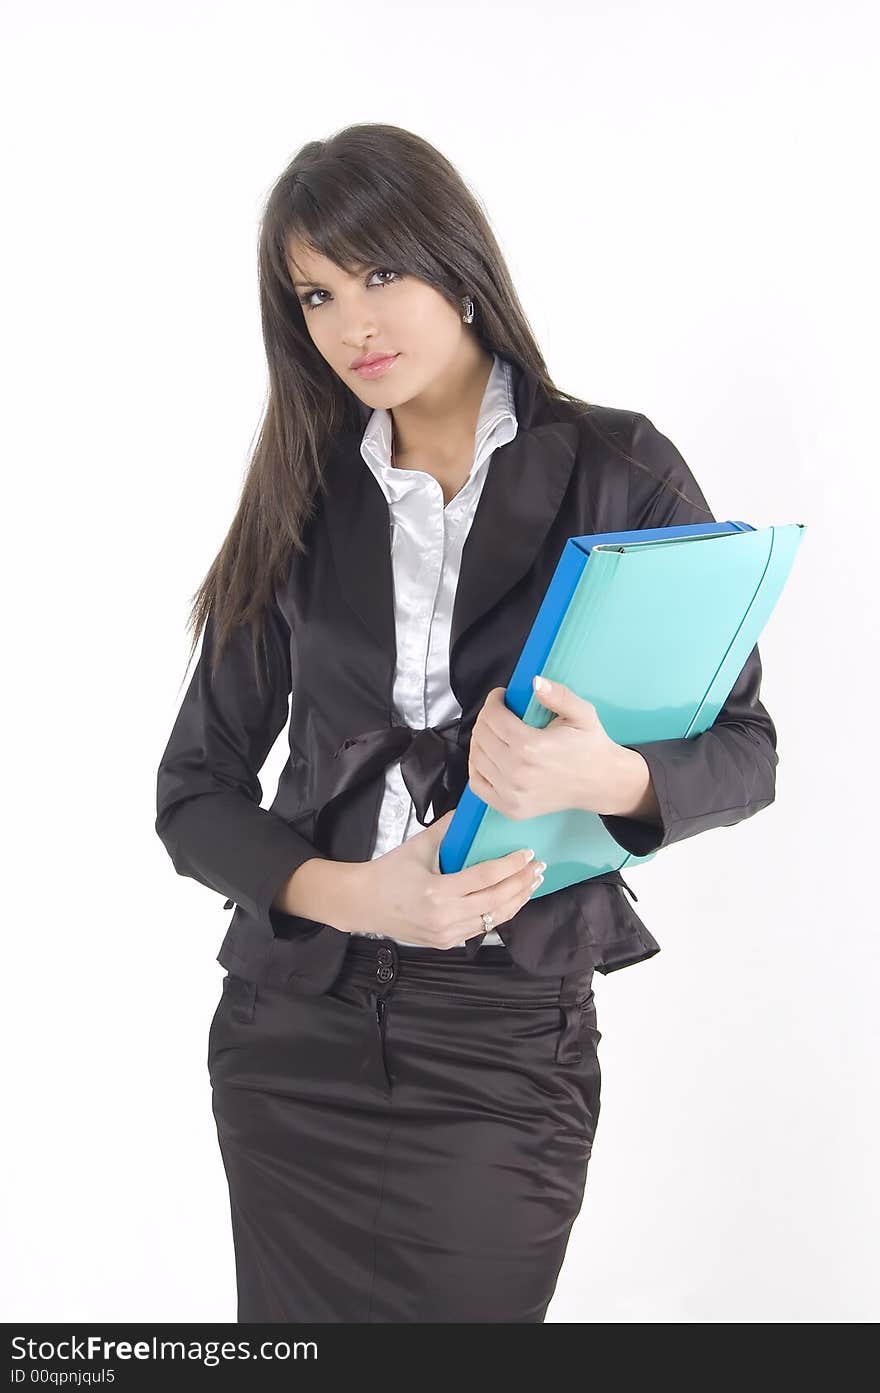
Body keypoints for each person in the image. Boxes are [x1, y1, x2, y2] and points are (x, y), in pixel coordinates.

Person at [154, 123, 778, 1323]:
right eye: (317, 293)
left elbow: (745, 751)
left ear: (455, 260)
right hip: (291, 1031)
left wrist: (609, 775)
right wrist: (356, 894)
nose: (353, 324)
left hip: (502, 1040)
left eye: (381, 272)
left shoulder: (616, 468)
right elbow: (193, 793)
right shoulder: (302, 487)